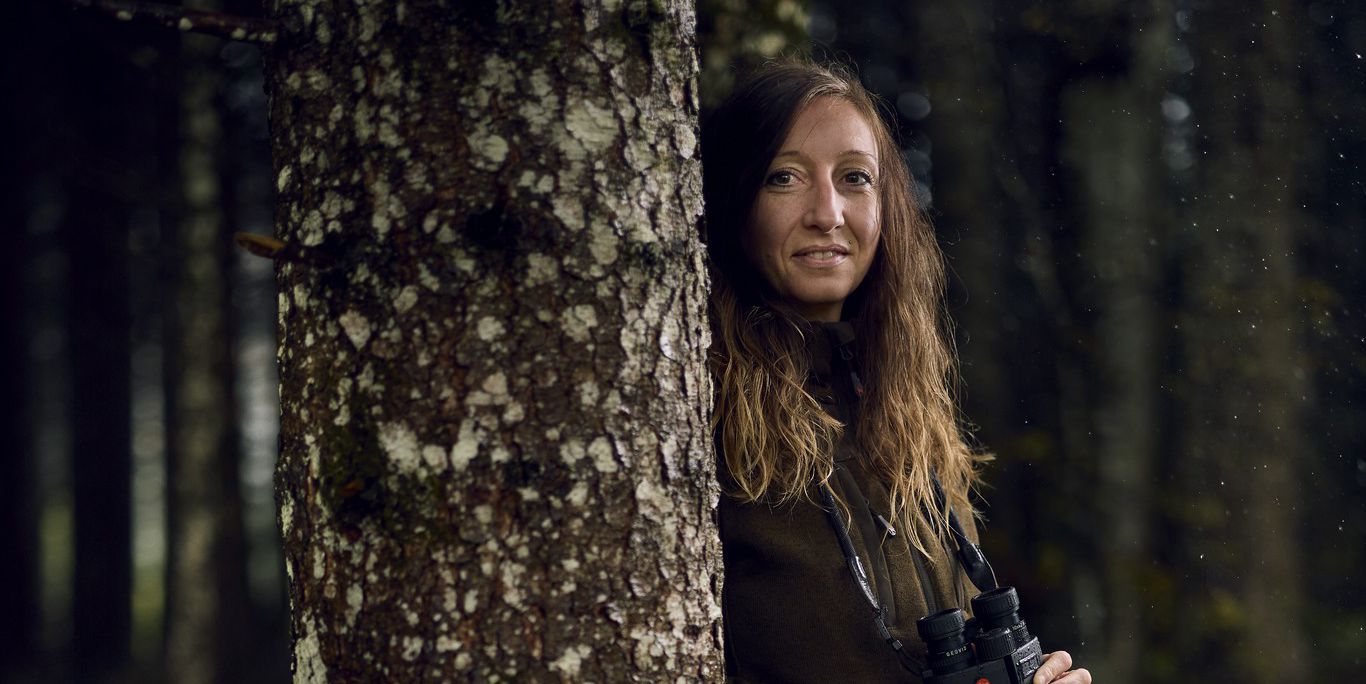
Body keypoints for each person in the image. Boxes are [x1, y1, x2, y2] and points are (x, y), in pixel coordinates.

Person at [701, 61, 1092, 684]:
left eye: (855, 178)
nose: (827, 213)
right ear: (732, 198)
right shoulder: (699, 409)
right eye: (784, 178)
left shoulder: (913, 420)